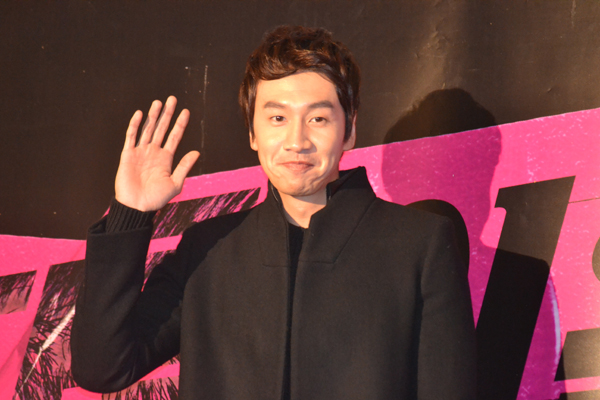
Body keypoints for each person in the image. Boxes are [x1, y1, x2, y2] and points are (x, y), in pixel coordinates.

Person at [71, 25, 476, 399]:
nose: (296, 140)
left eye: (318, 118)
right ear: (253, 132)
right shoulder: (205, 250)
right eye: (277, 118)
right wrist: (130, 211)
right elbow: (102, 368)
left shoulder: (419, 247)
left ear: (349, 129)